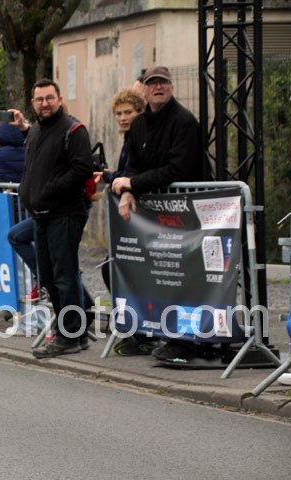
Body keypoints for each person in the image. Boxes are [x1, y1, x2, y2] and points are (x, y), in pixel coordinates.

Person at [110, 66, 205, 363]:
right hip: (154, 216)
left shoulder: (185, 122)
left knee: (184, 277)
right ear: (146, 90)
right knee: (156, 274)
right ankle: (153, 334)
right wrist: (128, 191)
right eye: (153, 83)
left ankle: (186, 342)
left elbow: (178, 169)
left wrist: (132, 185)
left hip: (186, 213)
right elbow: (135, 166)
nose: (159, 87)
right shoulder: (139, 125)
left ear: (171, 87)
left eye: (163, 82)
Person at [9, 79, 93, 358]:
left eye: (49, 98)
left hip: (65, 214)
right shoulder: (36, 130)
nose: (45, 104)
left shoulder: (73, 130)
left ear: (59, 99)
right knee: (49, 278)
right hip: (41, 215)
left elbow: (82, 169)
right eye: (39, 99)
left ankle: (70, 335)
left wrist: (50, 189)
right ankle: (73, 332)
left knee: (64, 277)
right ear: (33, 103)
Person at [93, 88, 158, 355]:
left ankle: (145, 332)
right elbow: (126, 173)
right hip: (132, 219)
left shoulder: (142, 138)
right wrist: (111, 175)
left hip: (146, 218)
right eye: (118, 113)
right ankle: (137, 329)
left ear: (140, 112)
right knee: (114, 269)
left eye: (128, 112)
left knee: (129, 272)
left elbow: (135, 175)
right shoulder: (130, 138)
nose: (123, 118)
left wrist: (114, 178)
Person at [0, 116, 40, 302]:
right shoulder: (31, 149)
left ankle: (24, 307)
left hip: (11, 210)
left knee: (19, 265)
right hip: (33, 209)